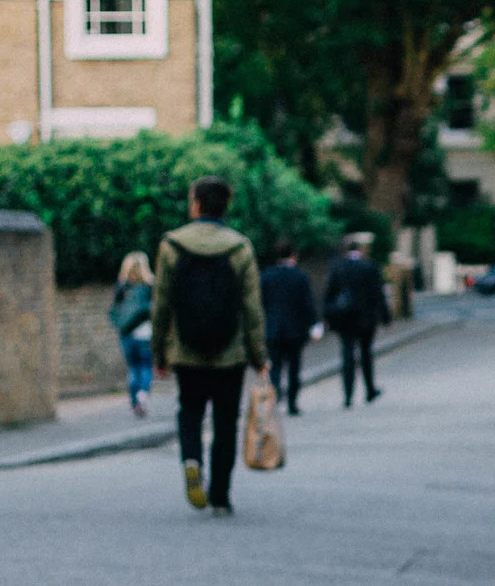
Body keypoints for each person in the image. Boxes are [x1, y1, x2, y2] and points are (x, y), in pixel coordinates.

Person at [151, 176, 266, 514]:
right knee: (225, 422)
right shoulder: (240, 247)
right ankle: (220, 496)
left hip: (186, 351)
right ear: (225, 205)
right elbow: (252, 308)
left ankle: (191, 461)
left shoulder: (171, 245)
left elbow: (161, 305)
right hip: (230, 353)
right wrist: (259, 356)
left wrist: (159, 353)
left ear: (196, 204)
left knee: (189, 411)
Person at [322, 232, 391, 407]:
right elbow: (378, 294)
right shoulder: (369, 266)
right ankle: (369, 389)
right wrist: (386, 317)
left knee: (347, 355)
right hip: (366, 318)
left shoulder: (338, 267)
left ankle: (348, 395)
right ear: (360, 250)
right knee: (366, 353)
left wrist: (327, 317)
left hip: (345, 319)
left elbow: (329, 294)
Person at [259, 239, 320, 416]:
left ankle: (275, 397)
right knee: (294, 368)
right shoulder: (300, 277)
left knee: (275, 367)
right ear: (293, 255)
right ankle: (292, 403)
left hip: (274, 329)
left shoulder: (267, 276)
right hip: (295, 330)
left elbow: (261, 302)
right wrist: (314, 324)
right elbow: (308, 303)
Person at [109, 251, 156, 417]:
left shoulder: (121, 286)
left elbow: (114, 309)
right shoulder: (150, 286)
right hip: (144, 333)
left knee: (133, 367)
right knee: (145, 366)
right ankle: (143, 393)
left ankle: (135, 402)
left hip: (127, 333)